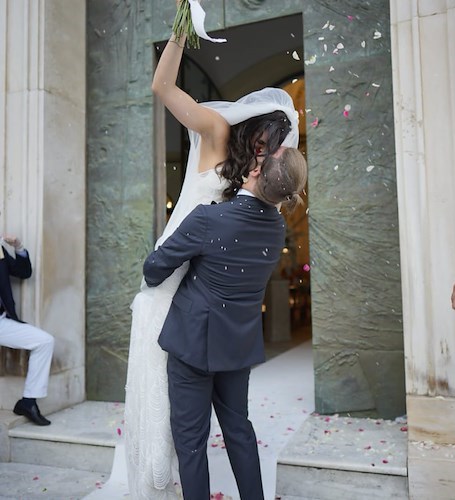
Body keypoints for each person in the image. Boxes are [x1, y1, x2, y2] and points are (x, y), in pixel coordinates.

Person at [123, 5, 302, 500]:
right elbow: (163, 88)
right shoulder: (216, 134)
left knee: (193, 427)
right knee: (177, 415)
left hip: (198, 289)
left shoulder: (258, 192)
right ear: (255, 134)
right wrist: (180, 34)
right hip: (188, 284)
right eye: (268, 145)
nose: (269, 156)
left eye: (276, 151)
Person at [144, 138, 307, 499]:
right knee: (239, 431)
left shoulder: (208, 218)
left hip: (192, 344)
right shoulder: (275, 228)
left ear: (253, 172)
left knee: (190, 441)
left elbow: (153, 269)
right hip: (238, 346)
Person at [0, 235, 54, 426]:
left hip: (2, 322)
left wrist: (18, 247)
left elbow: (23, 272)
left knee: (45, 341)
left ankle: (28, 402)